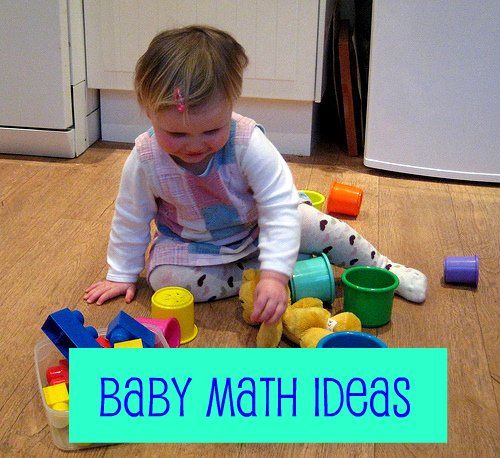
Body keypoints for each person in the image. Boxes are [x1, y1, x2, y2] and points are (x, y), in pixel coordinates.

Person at [84, 25, 427, 324]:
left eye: (211, 130)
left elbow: (279, 209)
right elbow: (131, 217)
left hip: (258, 226)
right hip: (195, 245)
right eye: (176, 135)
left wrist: (276, 278)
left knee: (319, 225)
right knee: (165, 281)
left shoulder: (248, 143)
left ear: (231, 106)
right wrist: (122, 273)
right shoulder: (145, 159)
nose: (194, 146)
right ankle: (263, 274)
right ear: (148, 113)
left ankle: (383, 268)